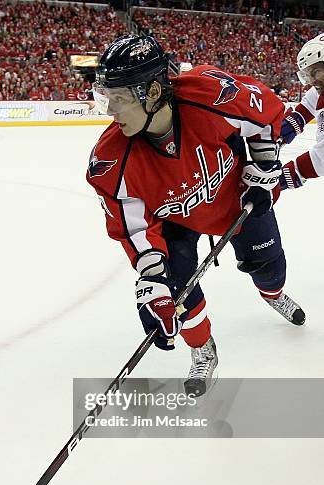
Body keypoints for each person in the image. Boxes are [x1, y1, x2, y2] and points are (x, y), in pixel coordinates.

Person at [86, 34, 305, 396]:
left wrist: (264, 162)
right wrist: (152, 277)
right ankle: (202, 349)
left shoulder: (211, 95)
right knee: (176, 294)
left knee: (269, 267)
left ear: (153, 91)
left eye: (120, 99)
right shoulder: (111, 162)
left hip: (237, 200)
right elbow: (134, 230)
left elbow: (266, 111)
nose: (110, 111)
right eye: (107, 98)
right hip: (175, 224)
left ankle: (273, 293)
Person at [280, 33, 324, 190]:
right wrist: (282, 131)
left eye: (315, 72)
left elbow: (321, 159)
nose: (312, 81)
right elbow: (304, 110)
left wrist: (278, 180)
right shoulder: (320, 89)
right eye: (308, 74)